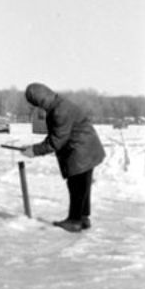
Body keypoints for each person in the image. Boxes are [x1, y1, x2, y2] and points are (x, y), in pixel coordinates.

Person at [21, 83, 106, 232]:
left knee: (77, 186)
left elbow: (56, 141)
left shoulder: (60, 111)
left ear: (39, 100)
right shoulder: (60, 104)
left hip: (80, 151)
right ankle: (83, 218)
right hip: (87, 148)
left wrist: (34, 150)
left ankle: (74, 221)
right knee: (82, 185)